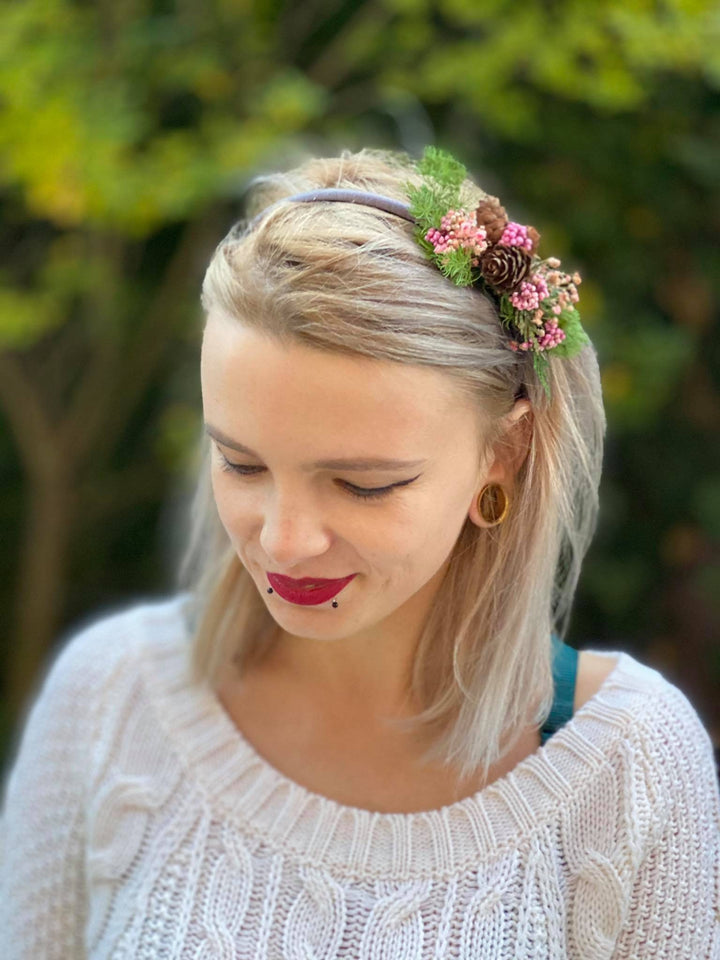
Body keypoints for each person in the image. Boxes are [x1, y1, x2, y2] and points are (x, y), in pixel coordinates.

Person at [1, 146, 718, 959]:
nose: (283, 540)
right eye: (240, 464)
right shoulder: (108, 697)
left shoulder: (625, 766)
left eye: (363, 484)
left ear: (504, 453)